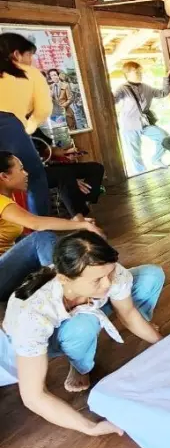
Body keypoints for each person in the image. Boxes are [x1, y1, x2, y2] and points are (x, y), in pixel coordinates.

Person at [0, 231, 164, 436]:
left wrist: (165, 343)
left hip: (85, 308)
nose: (107, 283)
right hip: (28, 346)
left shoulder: (109, 272)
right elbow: (33, 396)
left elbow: (129, 313)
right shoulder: (31, 314)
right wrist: (91, 427)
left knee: (150, 276)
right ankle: (79, 365)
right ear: (64, 279)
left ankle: (119, 329)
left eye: (110, 273)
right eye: (97, 280)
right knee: (83, 325)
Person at [0, 152, 104, 301]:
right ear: (4, 176)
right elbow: (36, 223)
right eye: (21, 169)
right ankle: (64, 293)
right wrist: (82, 224)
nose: (26, 173)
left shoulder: (8, 199)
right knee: (41, 238)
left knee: (50, 241)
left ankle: (79, 279)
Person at [0, 33, 52, 216]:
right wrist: (28, 128)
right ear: (16, 54)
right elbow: (43, 110)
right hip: (8, 125)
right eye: (29, 55)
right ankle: (41, 228)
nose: (31, 60)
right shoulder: (30, 73)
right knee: (34, 176)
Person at [113, 61, 170, 173]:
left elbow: (163, 93)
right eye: (136, 72)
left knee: (164, 137)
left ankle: (156, 159)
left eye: (140, 71)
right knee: (135, 153)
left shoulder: (146, 87)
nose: (140, 74)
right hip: (129, 125)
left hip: (145, 123)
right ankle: (141, 173)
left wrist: (166, 79)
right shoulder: (122, 88)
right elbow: (113, 100)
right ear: (127, 73)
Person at [32, 128, 105, 217]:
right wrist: (72, 180)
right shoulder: (17, 135)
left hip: (48, 166)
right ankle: (79, 216)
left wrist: (66, 153)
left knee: (96, 168)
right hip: (35, 172)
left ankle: (81, 202)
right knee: (65, 175)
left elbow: (47, 150)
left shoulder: (32, 127)